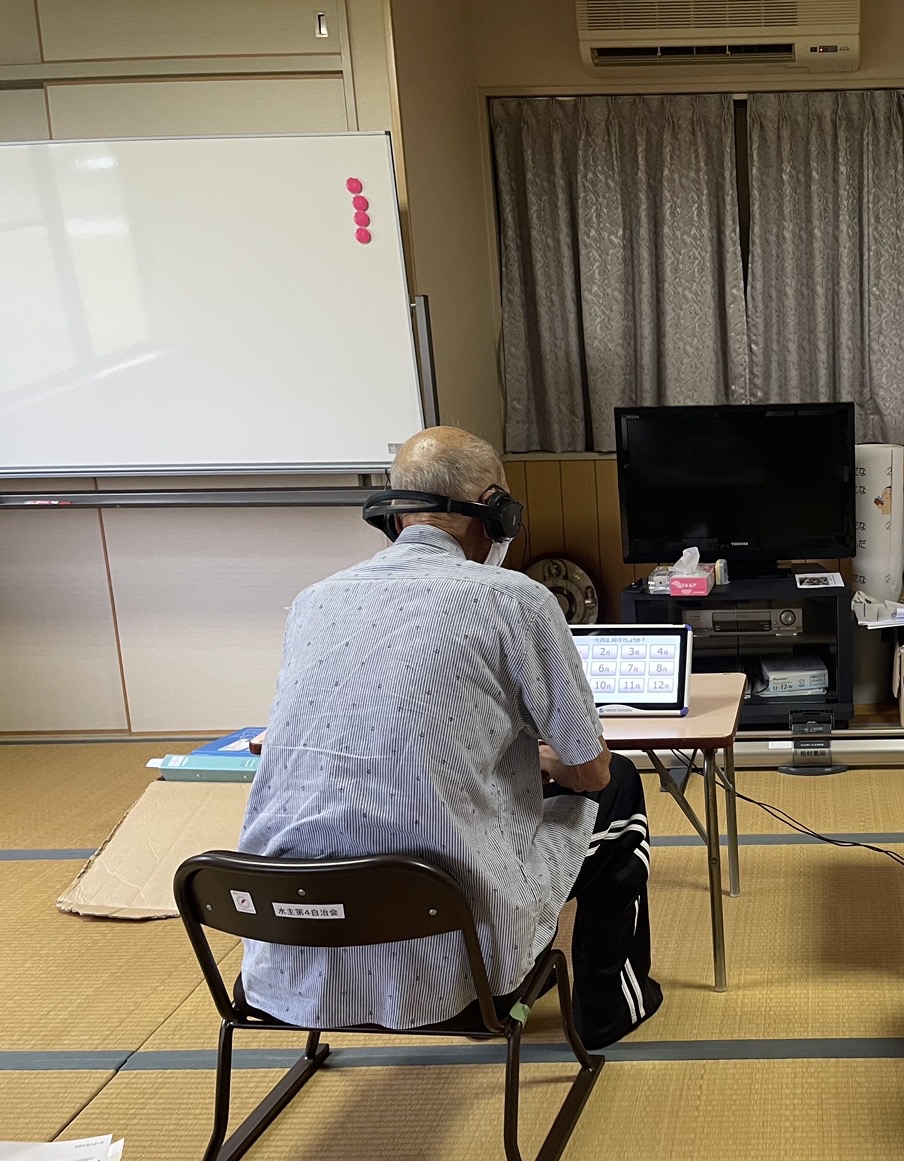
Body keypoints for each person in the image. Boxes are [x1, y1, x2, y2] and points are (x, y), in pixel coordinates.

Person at [238, 426, 661, 1049]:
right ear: (496, 510)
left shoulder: (313, 602)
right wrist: (544, 761)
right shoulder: (518, 601)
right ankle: (608, 1010)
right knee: (618, 783)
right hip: (457, 957)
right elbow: (589, 770)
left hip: (293, 946)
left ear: (394, 513)